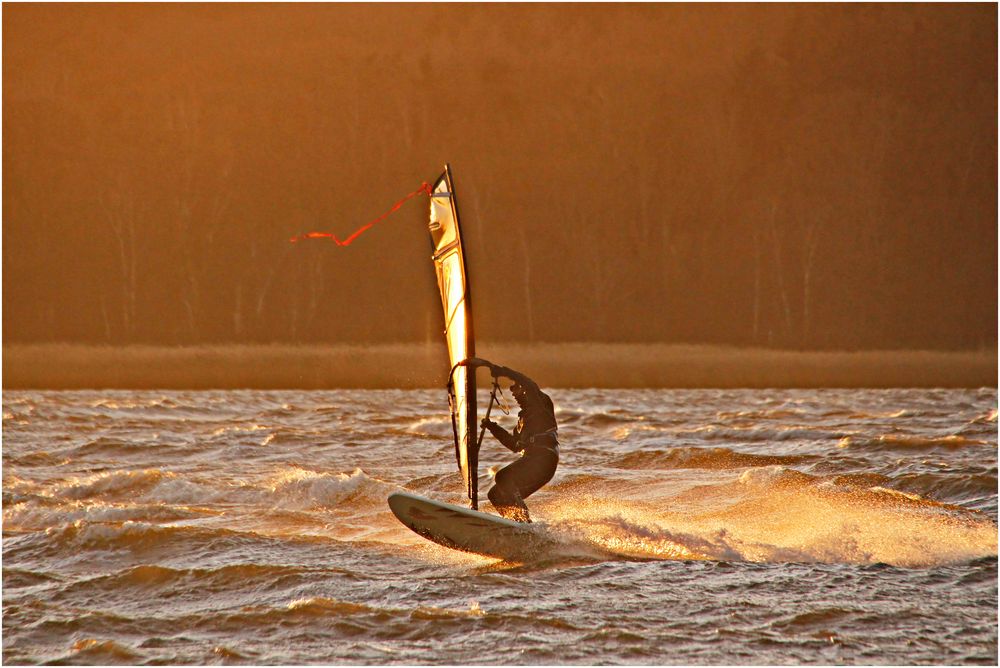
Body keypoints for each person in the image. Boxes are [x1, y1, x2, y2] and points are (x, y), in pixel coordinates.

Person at [458, 357, 559, 523]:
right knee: (495, 494)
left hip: (544, 459)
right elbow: (514, 445)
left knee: (503, 477)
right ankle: (513, 525)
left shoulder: (540, 403)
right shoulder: (522, 421)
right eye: (512, 390)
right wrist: (492, 427)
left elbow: (528, 383)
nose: (513, 393)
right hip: (533, 461)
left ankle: (525, 524)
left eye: (516, 388)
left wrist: (501, 371)